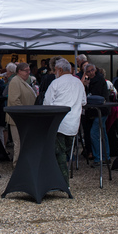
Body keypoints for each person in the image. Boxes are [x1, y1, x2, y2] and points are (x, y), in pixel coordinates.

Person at [44, 58, 86, 186]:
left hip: (58, 123)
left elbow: (47, 103)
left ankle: (62, 182)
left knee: (59, 154)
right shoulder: (78, 83)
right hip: (73, 124)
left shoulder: (56, 83)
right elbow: (84, 101)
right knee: (66, 152)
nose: (54, 72)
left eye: (55, 70)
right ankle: (61, 181)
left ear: (60, 70)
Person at [5, 62, 37, 166]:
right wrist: (24, 114)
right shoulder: (15, 81)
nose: (28, 73)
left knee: (22, 143)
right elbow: (14, 101)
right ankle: (17, 165)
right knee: (18, 143)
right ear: (19, 71)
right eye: (26, 71)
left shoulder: (22, 81)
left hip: (23, 118)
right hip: (18, 119)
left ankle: (22, 164)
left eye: (29, 70)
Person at [83, 63, 110, 166]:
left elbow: (94, 96)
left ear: (95, 70)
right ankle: (105, 156)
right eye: (88, 71)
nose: (91, 73)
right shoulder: (99, 79)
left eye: (92, 70)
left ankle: (98, 158)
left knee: (94, 133)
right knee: (102, 133)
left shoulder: (97, 81)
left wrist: (87, 86)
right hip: (102, 110)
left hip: (100, 110)